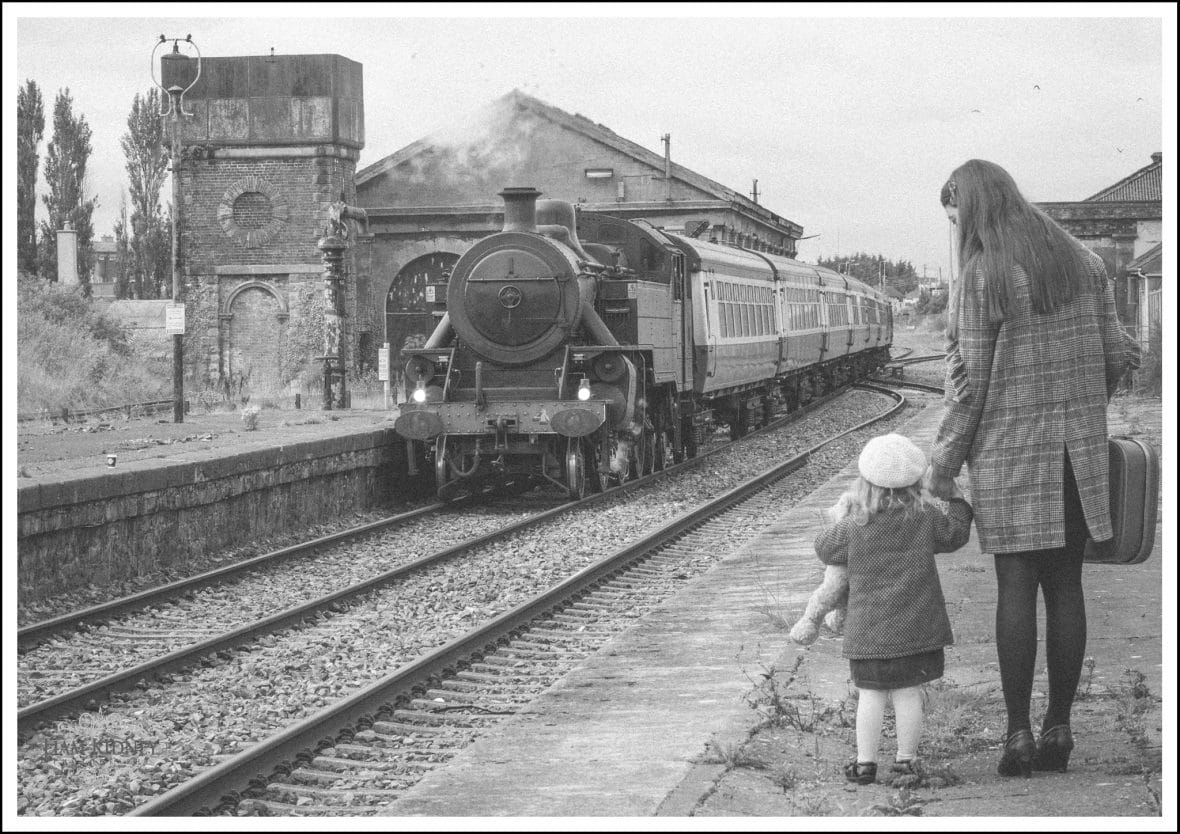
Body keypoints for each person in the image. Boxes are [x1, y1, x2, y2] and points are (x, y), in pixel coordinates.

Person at [929, 159, 1141, 778]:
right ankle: (1061, 727)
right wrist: (1081, 409)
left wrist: (943, 464)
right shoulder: (1086, 265)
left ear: (975, 210)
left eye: (955, 217)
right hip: (1078, 457)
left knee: (1015, 588)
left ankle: (1018, 733)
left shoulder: (982, 276)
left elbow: (969, 384)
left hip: (1009, 458)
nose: (955, 229)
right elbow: (1118, 353)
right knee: (1067, 586)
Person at [814, 433, 973, 785]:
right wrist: (959, 500)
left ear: (864, 481)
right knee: (907, 694)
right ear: (916, 481)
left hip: (869, 632)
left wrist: (844, 513)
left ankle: (865, 764)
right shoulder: (924, 517)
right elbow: (956, 534)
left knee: (870, 696)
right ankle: (905, 762)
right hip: (917, 631)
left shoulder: (857, 525)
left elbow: (824, 548)